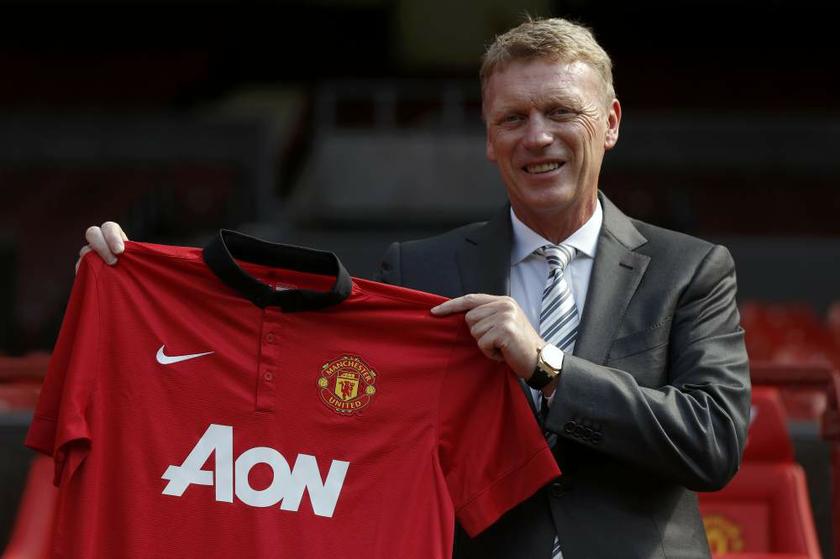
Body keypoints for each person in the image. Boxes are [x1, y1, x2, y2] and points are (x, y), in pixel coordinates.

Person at [77, 17, 750, 559]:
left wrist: (548, 366)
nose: (536, 135)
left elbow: (712, 442)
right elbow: (309, 384)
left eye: (560, 111)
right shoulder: (418, 270)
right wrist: (141, 282)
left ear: (609, 122)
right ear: (488, 138)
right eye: (512, 118)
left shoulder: (690, 269)